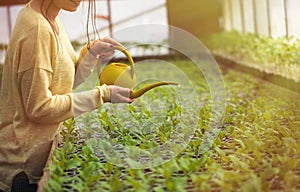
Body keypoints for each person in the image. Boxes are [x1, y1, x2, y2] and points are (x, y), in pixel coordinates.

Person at [0, 0, 134, 191]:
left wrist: (91, 53)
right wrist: (102, 95)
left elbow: (62, 85)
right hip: (23, 167)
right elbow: (39, 108)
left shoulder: (51, 19)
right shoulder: (37, 30)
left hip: (39, 156)